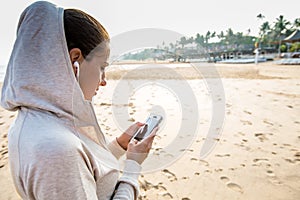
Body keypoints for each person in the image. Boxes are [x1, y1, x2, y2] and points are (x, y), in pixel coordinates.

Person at [1, 1, 157, 199]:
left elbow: (84, 170)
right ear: (75, 59)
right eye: (102, 66)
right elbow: (69, 159)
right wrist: (133, 167)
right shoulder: (54, 149)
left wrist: (119, 145)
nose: (104, 81)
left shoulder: (41, 120)